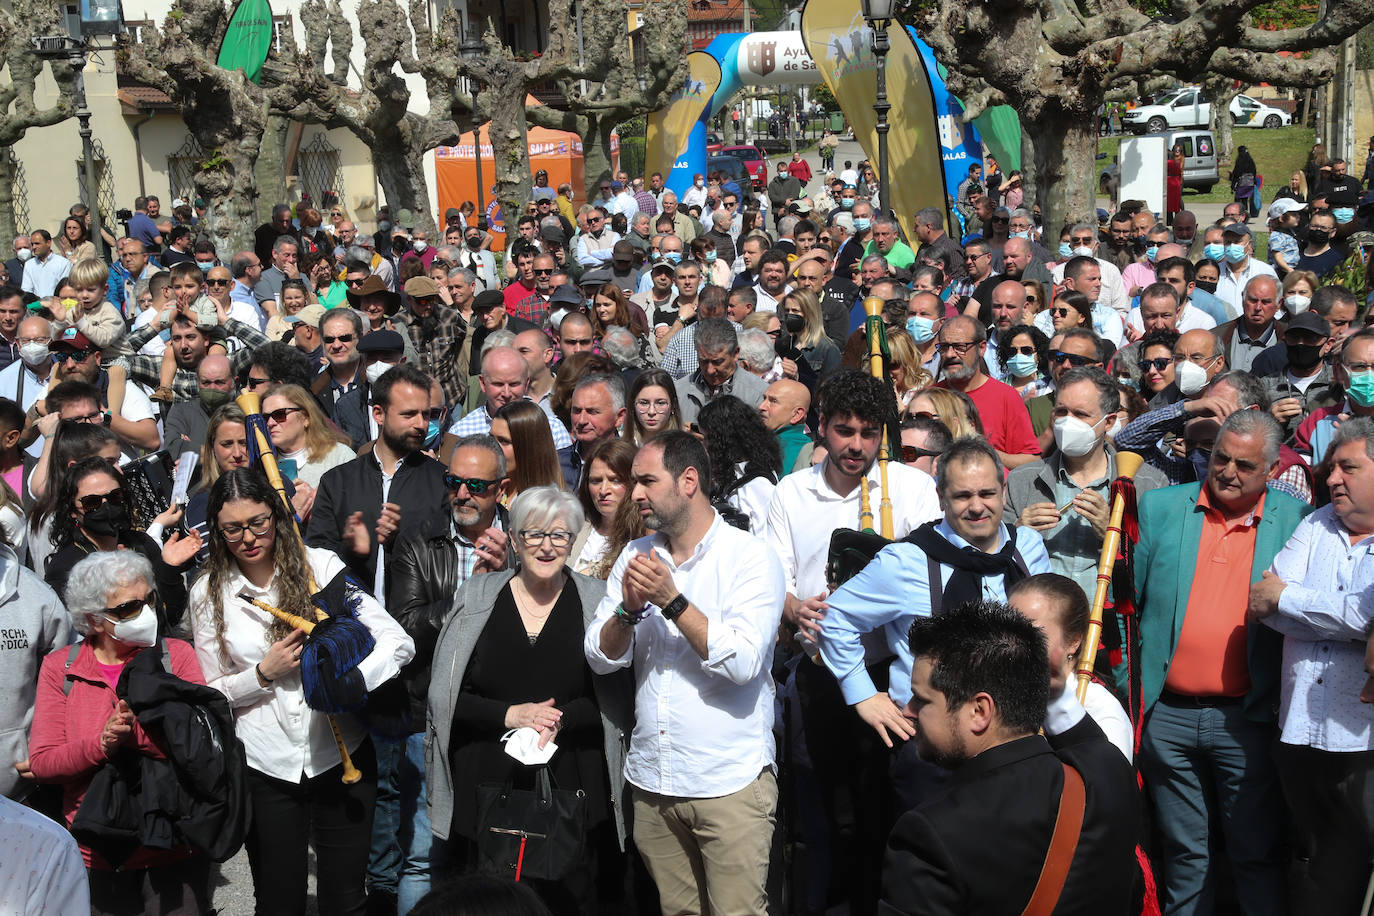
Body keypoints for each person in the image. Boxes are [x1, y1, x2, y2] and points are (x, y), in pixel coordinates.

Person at [189, 468, 414, 916]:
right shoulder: (207, 593)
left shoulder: (321, 568)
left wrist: (348, 683)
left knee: (347, 900)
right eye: (232, 529)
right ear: (217, 530)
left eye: (259, 522)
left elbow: (396, 641)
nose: (248, 538)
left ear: (275, 514)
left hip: (341, 751)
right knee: (278, 901)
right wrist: (261, 674)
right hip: (265, 764)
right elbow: (211, 693)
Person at [584, 432, 786, 915]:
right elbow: (599, 655)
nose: (634, 494)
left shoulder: (750, 557)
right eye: (634, 482)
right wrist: (628, 614)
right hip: (654, 784)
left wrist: (672, 602)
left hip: (729, 783)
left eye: (647, 481)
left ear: (689, 481)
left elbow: (742, 663)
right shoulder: (635, 556)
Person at [1133, 409, 1307, 915]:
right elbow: (1132, 606)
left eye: (1244, 466)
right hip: (1168, 715)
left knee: (1255, 852)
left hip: (1248, 719)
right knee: (1185, 852)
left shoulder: (1296, 522)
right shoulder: (1161, 508)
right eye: (1220, 458)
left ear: (1272, 469)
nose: (1228, 472)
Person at [427, 485, 633, 913]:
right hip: (488, 783)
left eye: (559, 535)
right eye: (533, 534)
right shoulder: (478, 597)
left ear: (573, 541)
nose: (546, 546)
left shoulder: (596, 600)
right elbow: (445, 699)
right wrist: (510, 715)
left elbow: (616, 701)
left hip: (573, 786)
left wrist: (560, 719)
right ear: (515, 538)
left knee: (569, 903)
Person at [878, 600, 1139, 914]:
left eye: (922, 700)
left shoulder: (930, 836)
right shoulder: (1108, 770)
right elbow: (1091, 745)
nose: (908, 711)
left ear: (979, 711)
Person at [28, 550, 211, 915]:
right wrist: (101, 745)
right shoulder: (60, 668)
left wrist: (137, 738)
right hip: (96, 853)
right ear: (93, 619)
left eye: (149, 600)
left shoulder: (177, 657)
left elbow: (203, 748)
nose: (145, 613)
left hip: (174, 847)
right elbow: (44, 762)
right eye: (128, 608)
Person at [1251, 416, 1374, 912]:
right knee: (1315, 862)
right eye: (1329, 468)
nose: (1332, 479)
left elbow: (1363, 614)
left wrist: (1293, 601)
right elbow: (1263, 602)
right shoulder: (1315, 523)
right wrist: (1357, 627)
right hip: (1301, 733)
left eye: (1348, 467)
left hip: (1364, 737)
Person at [385, 435, 511, 910]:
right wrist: (472, 597)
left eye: (476, 485)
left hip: (500, 715)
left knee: (492, 856)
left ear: (501, 488)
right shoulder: (420, 541)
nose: (462, 494)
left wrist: (513, 576)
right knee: (423, 855)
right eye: (454, 481)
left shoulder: (522, 543)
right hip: (431, 715)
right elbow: (407, 629)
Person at [1004, 366, 1169, 602]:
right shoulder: (1023, 480)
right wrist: (1017, 532)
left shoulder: (1147, 484)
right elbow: (996, 559)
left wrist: (1112, 535)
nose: (1067, 423)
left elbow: (1156, 569)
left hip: (1109, 629)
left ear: (1109, 421)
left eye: (1080, 414)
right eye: (1061, 412)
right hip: (1038, 629)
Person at [44, 457, 195, 630]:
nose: (105, 506)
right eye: (91, 503)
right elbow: (75, 630)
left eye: (114, 497)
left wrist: (168, 568)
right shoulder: (65, 567)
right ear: (72, 510)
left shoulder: (141, 543)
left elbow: (172, 615)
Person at [935, 316, 1040, 468]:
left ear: (982, 348)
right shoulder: (929, 398)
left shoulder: (1006, 397)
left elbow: (1032, 461)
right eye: (944, 347)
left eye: (960, 347)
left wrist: (986, 453)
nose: (950, 354)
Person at [697, 394, 780, 533]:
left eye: (707, 438)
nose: (704, 445)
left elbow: (763, 540)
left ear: (722, 441)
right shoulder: (732, 474)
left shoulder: (759, 486)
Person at [674, 317, 769, 425]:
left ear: (735, 353)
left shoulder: (759, 395)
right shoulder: (678, 392)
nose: (710, 370)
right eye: (704, 361)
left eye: (717, 362)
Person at [492, 399, 566, 501]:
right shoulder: (482, 492)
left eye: (504, 441)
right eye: (491, 438)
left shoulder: (551, 507)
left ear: (530, 447)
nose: (492, 447)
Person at [781, 289, 842, 382]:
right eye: (787, 310)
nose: (790, 315)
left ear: (809, 313)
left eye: (795, 311)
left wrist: (799, 376)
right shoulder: (785, 345)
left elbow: (831, 389)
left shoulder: (827, 349)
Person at [757, 378, 813, 475]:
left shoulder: (796, 452)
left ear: (797, 415)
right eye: (764, 398)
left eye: (773, 401)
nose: (761, 406)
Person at [625, 368, 682, 445]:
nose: (651, 412)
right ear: (633, 404)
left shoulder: (686, 448)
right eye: (644, 403)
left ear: (673, 405)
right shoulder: (622, 449)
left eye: (660, 403)